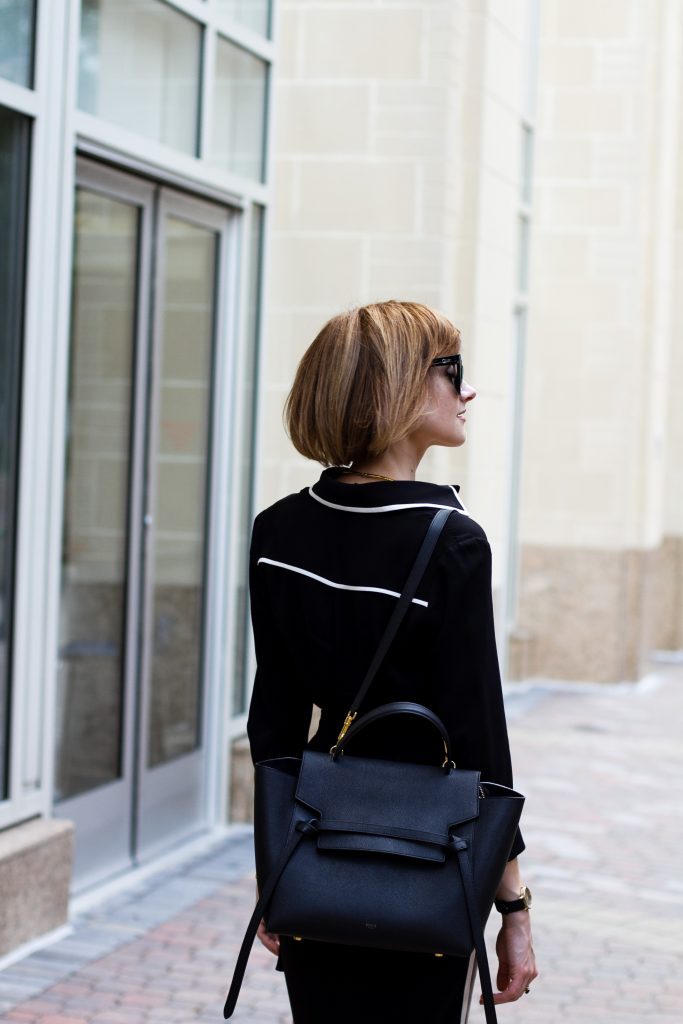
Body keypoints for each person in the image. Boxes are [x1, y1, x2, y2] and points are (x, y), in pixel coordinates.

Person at [246, 301, 538, 1023]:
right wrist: (514, 906)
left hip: (313, 846)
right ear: (398, 389)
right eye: (452, 371)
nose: (466, 391)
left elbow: (274, 725)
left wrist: (273, 873)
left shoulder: (277, 530)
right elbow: (480, 745)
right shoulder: (451, 542)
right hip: (428, 858)